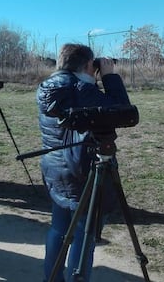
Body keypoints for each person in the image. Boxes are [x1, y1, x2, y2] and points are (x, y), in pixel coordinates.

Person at [36, 43, 131, 282]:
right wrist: (109, 78)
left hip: (55, 167)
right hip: (83, 171)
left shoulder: (46, 87)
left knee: (58, 230)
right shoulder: (82, 90)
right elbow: (122, 111)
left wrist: (92, 79)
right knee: (83, 234)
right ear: (88, 65)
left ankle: (52, 278)